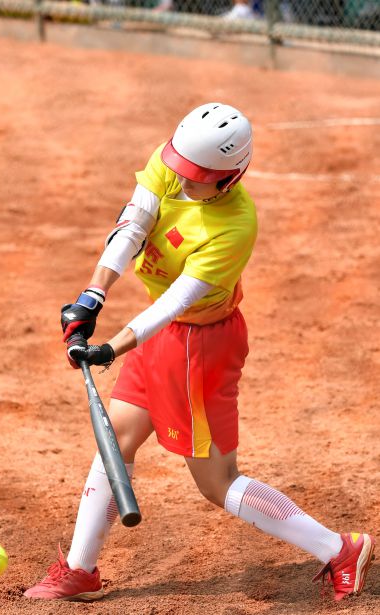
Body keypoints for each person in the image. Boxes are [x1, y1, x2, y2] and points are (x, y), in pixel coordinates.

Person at [24, 102, 375, 602]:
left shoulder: (234, 226)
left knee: (218, 483)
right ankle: (81, 570)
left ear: (229, 178)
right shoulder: (174, 162)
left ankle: (340, 549)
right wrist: (92, 297)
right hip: (161, 338)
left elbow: (172, 305)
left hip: (198, 349)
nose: (184, 180)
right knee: (117, 439)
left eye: (199, 178)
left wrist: (109, 348)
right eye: (181, 169)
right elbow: (134, 223)